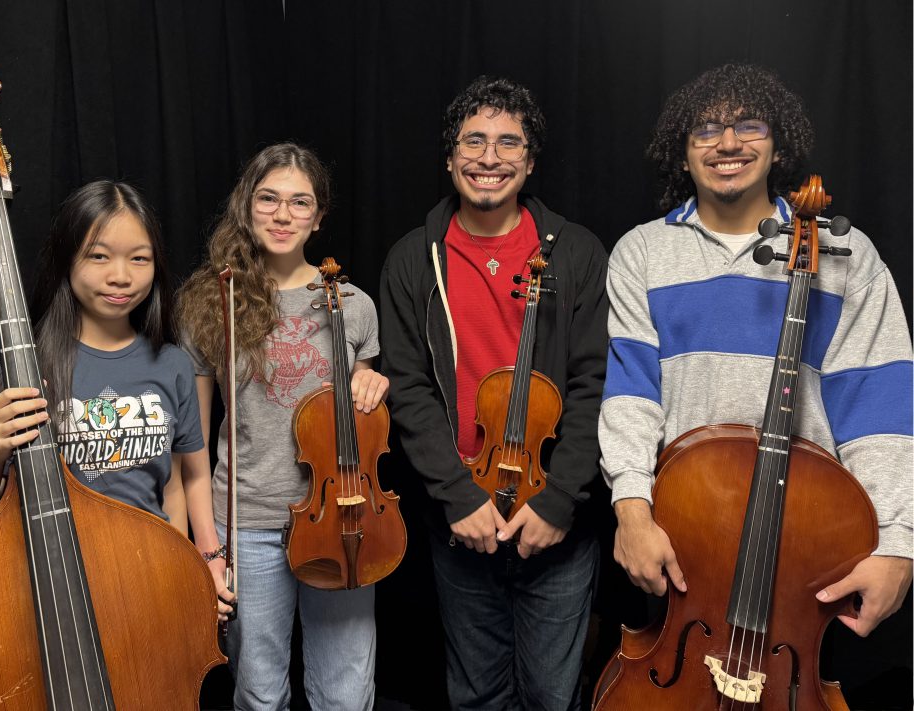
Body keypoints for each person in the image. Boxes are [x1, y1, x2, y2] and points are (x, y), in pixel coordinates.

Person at [601, 62, 912, 637]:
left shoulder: (846, 254)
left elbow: (879, 404)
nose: (727, 143)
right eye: (706, 129)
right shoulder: (641, 252)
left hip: (810, 539)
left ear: (778, 144)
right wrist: (631, 509)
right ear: (682, 148)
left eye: (749, 126)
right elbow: (632, 393)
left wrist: (897, 543)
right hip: (681, 532)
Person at [379, 76, 608, 710]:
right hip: (462, 515)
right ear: (450, 157)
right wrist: (456, 497)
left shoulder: (578, 252)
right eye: (473, 141)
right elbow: (410, 389)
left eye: (509, 143)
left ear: (530, 162)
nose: (489, 157)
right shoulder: (411, 260)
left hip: (557, 521)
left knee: (552, 693)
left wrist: (560, 499)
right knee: (476, 692)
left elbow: (596, 384)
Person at [0, 179, 234, 621]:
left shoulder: (171, 366)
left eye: (139, 258)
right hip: (51, 596)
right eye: (99, 255)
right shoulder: (21, 372)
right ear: (66, 261)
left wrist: (192, 566)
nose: (121, 276)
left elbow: (175, 481)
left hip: (147, 583)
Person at [177, 142, 389, 711]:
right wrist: (207, 545)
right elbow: (192, 443)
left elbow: (362, 425)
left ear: (318, 217)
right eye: (268, 199)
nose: (282, 214)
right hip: (248, 523)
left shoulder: (353, 305)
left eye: (300, 202)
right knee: (260, 691)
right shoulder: (209, 301)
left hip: (341, 518)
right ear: (247, 208)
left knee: (345, 693)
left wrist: (373, 386)